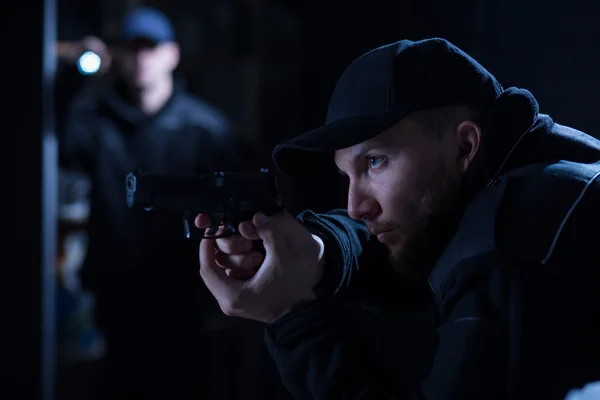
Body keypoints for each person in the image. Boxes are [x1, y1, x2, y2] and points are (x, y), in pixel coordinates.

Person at [195, 38, 600, 399]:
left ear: (464, 145)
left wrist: (290, 319)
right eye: (346, 175)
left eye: (375, 162)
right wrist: (318, 250)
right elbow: (414, 237)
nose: (356, 205)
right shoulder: (548, 174)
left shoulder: (509, 251)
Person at [59, 6, 240, 400]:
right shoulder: (95, 122)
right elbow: (58, 144)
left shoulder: (205, 130)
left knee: (182, 382)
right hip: (117, 286)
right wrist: (75, 73)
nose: (142, 58)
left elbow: (235, 210)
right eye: (132, 48)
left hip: (184, 290)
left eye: (151, 47)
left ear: (172, 54)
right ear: (118, 55)